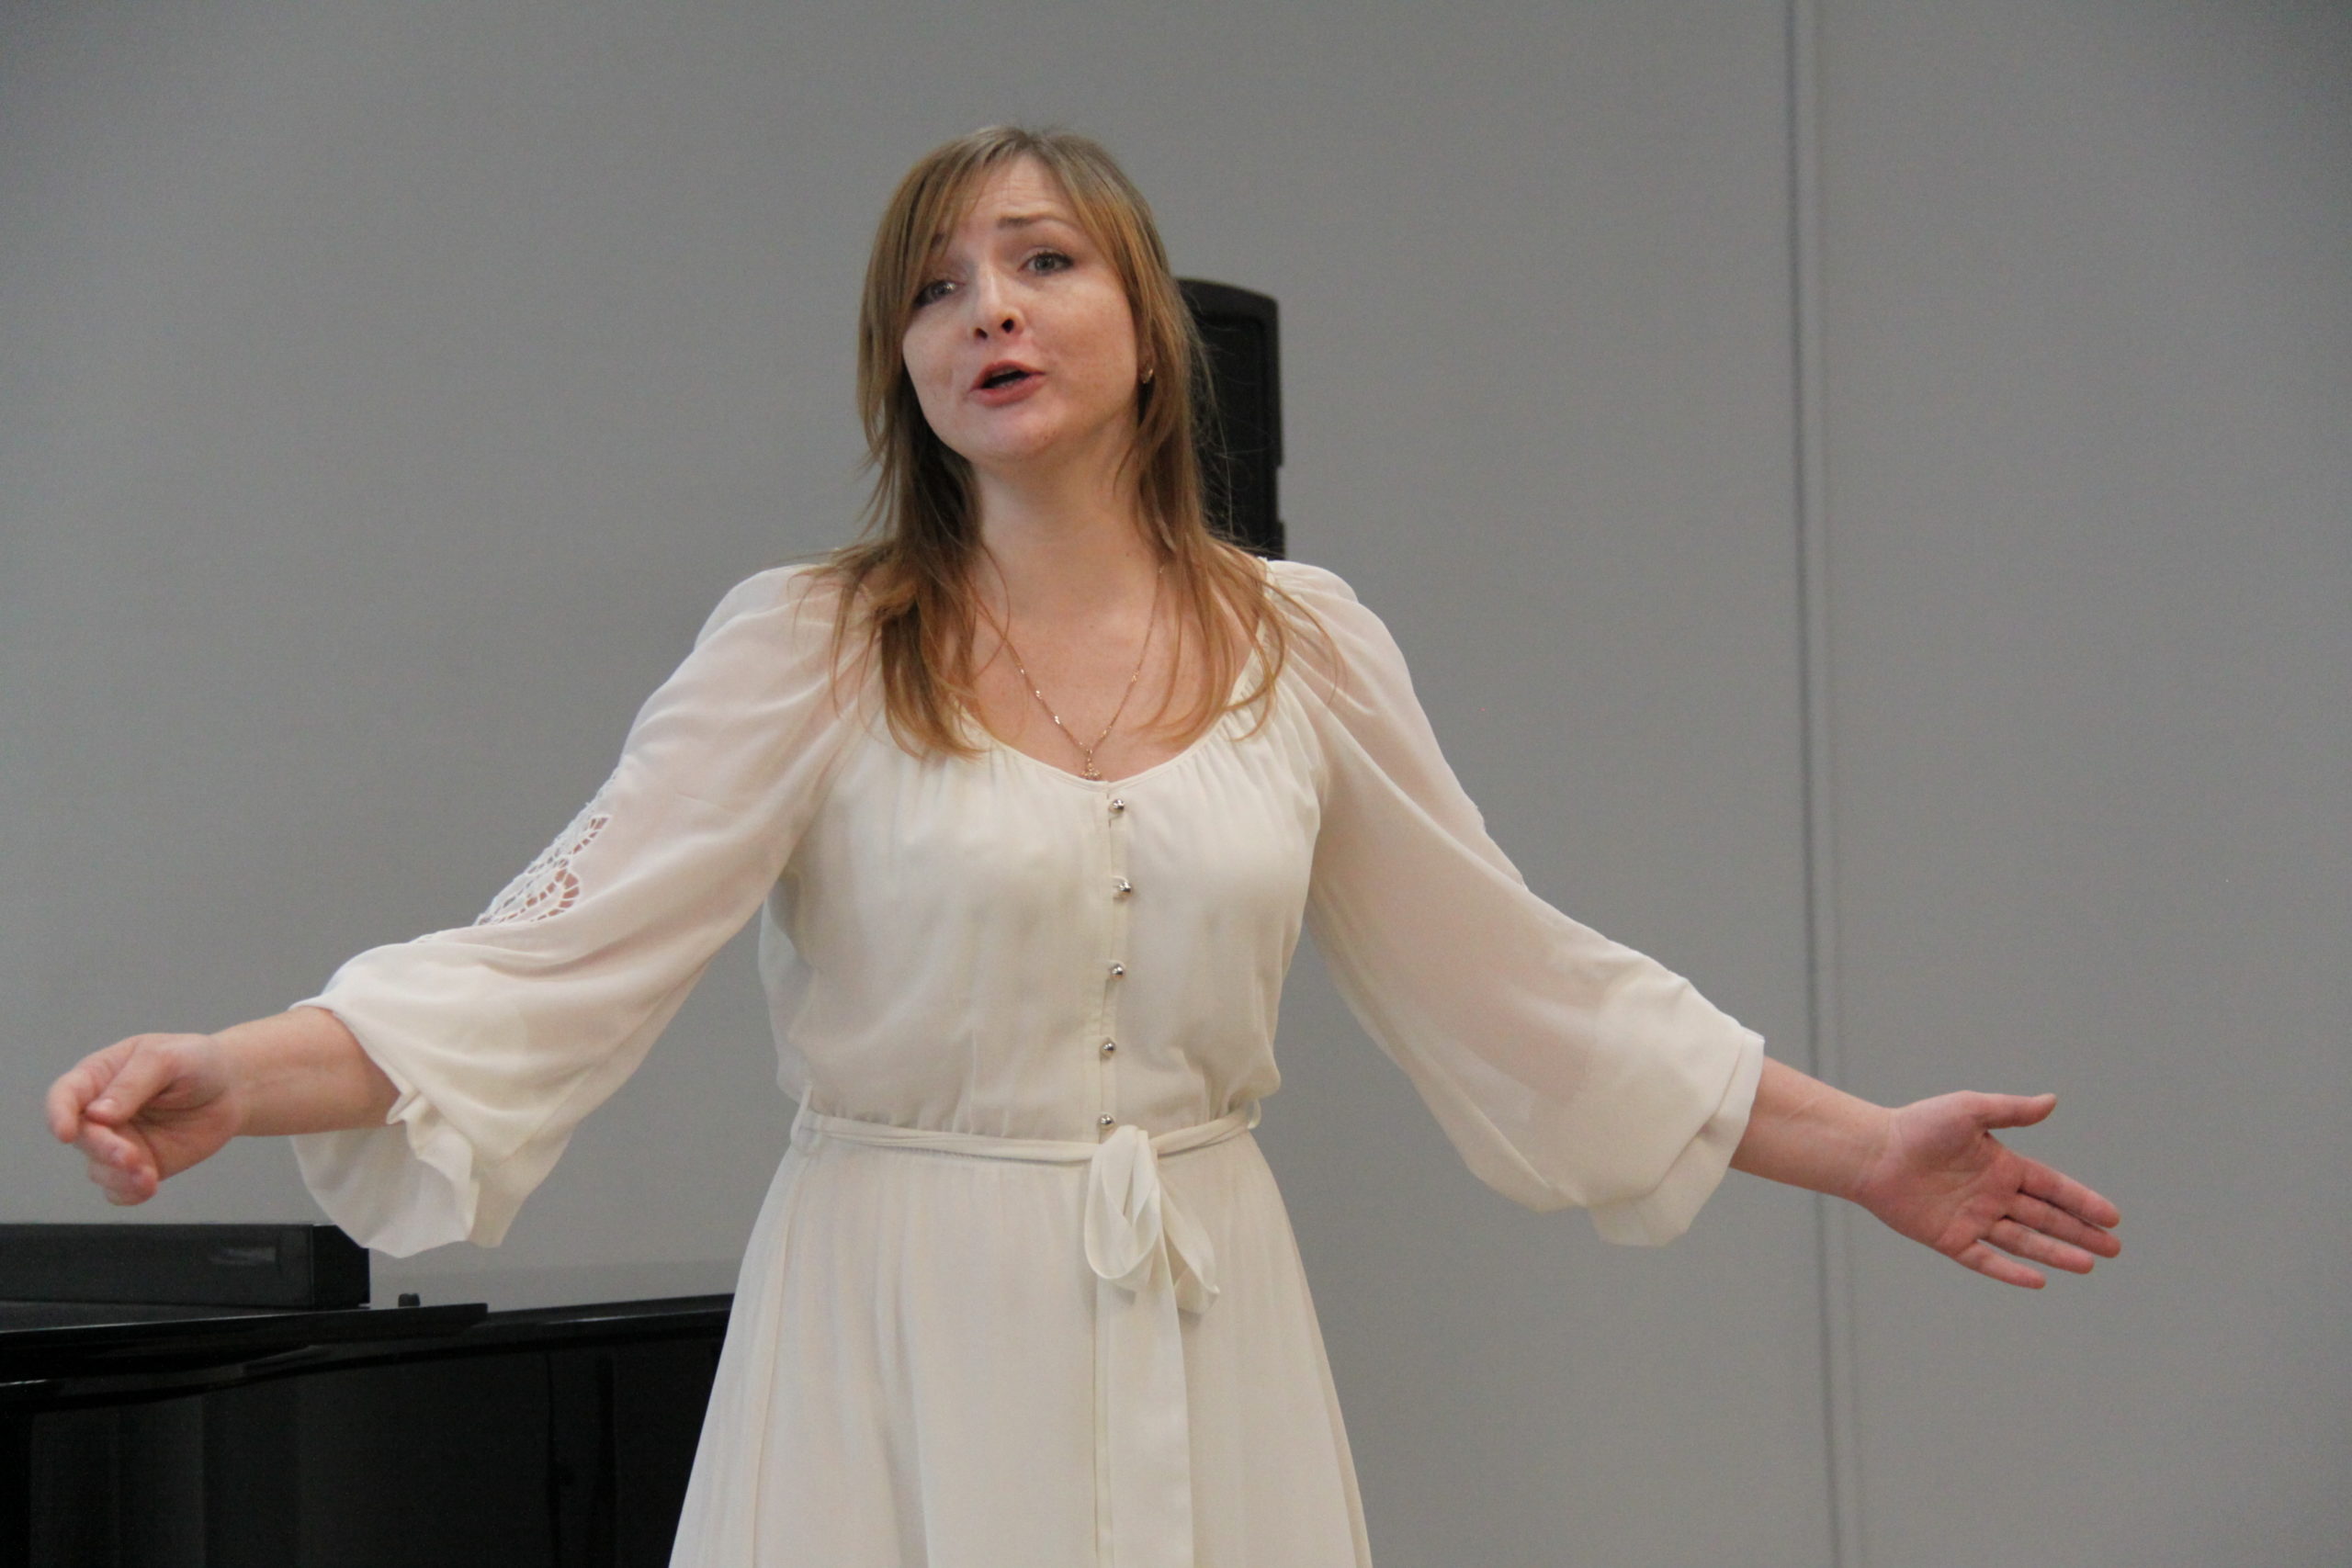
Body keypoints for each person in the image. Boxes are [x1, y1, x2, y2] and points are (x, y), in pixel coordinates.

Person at [46, 127, 2119, 1567]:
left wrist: (1864, 1145)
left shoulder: (1302, 645)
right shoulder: (811, 643)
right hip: (893, 1320)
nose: (990, 310)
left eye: (1042, 261)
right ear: (903, 366)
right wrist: (238, 1071)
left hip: (1209, 1312)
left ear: (1145, 323)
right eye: (935, 288)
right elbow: (539, 962)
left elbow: (1525, 984)